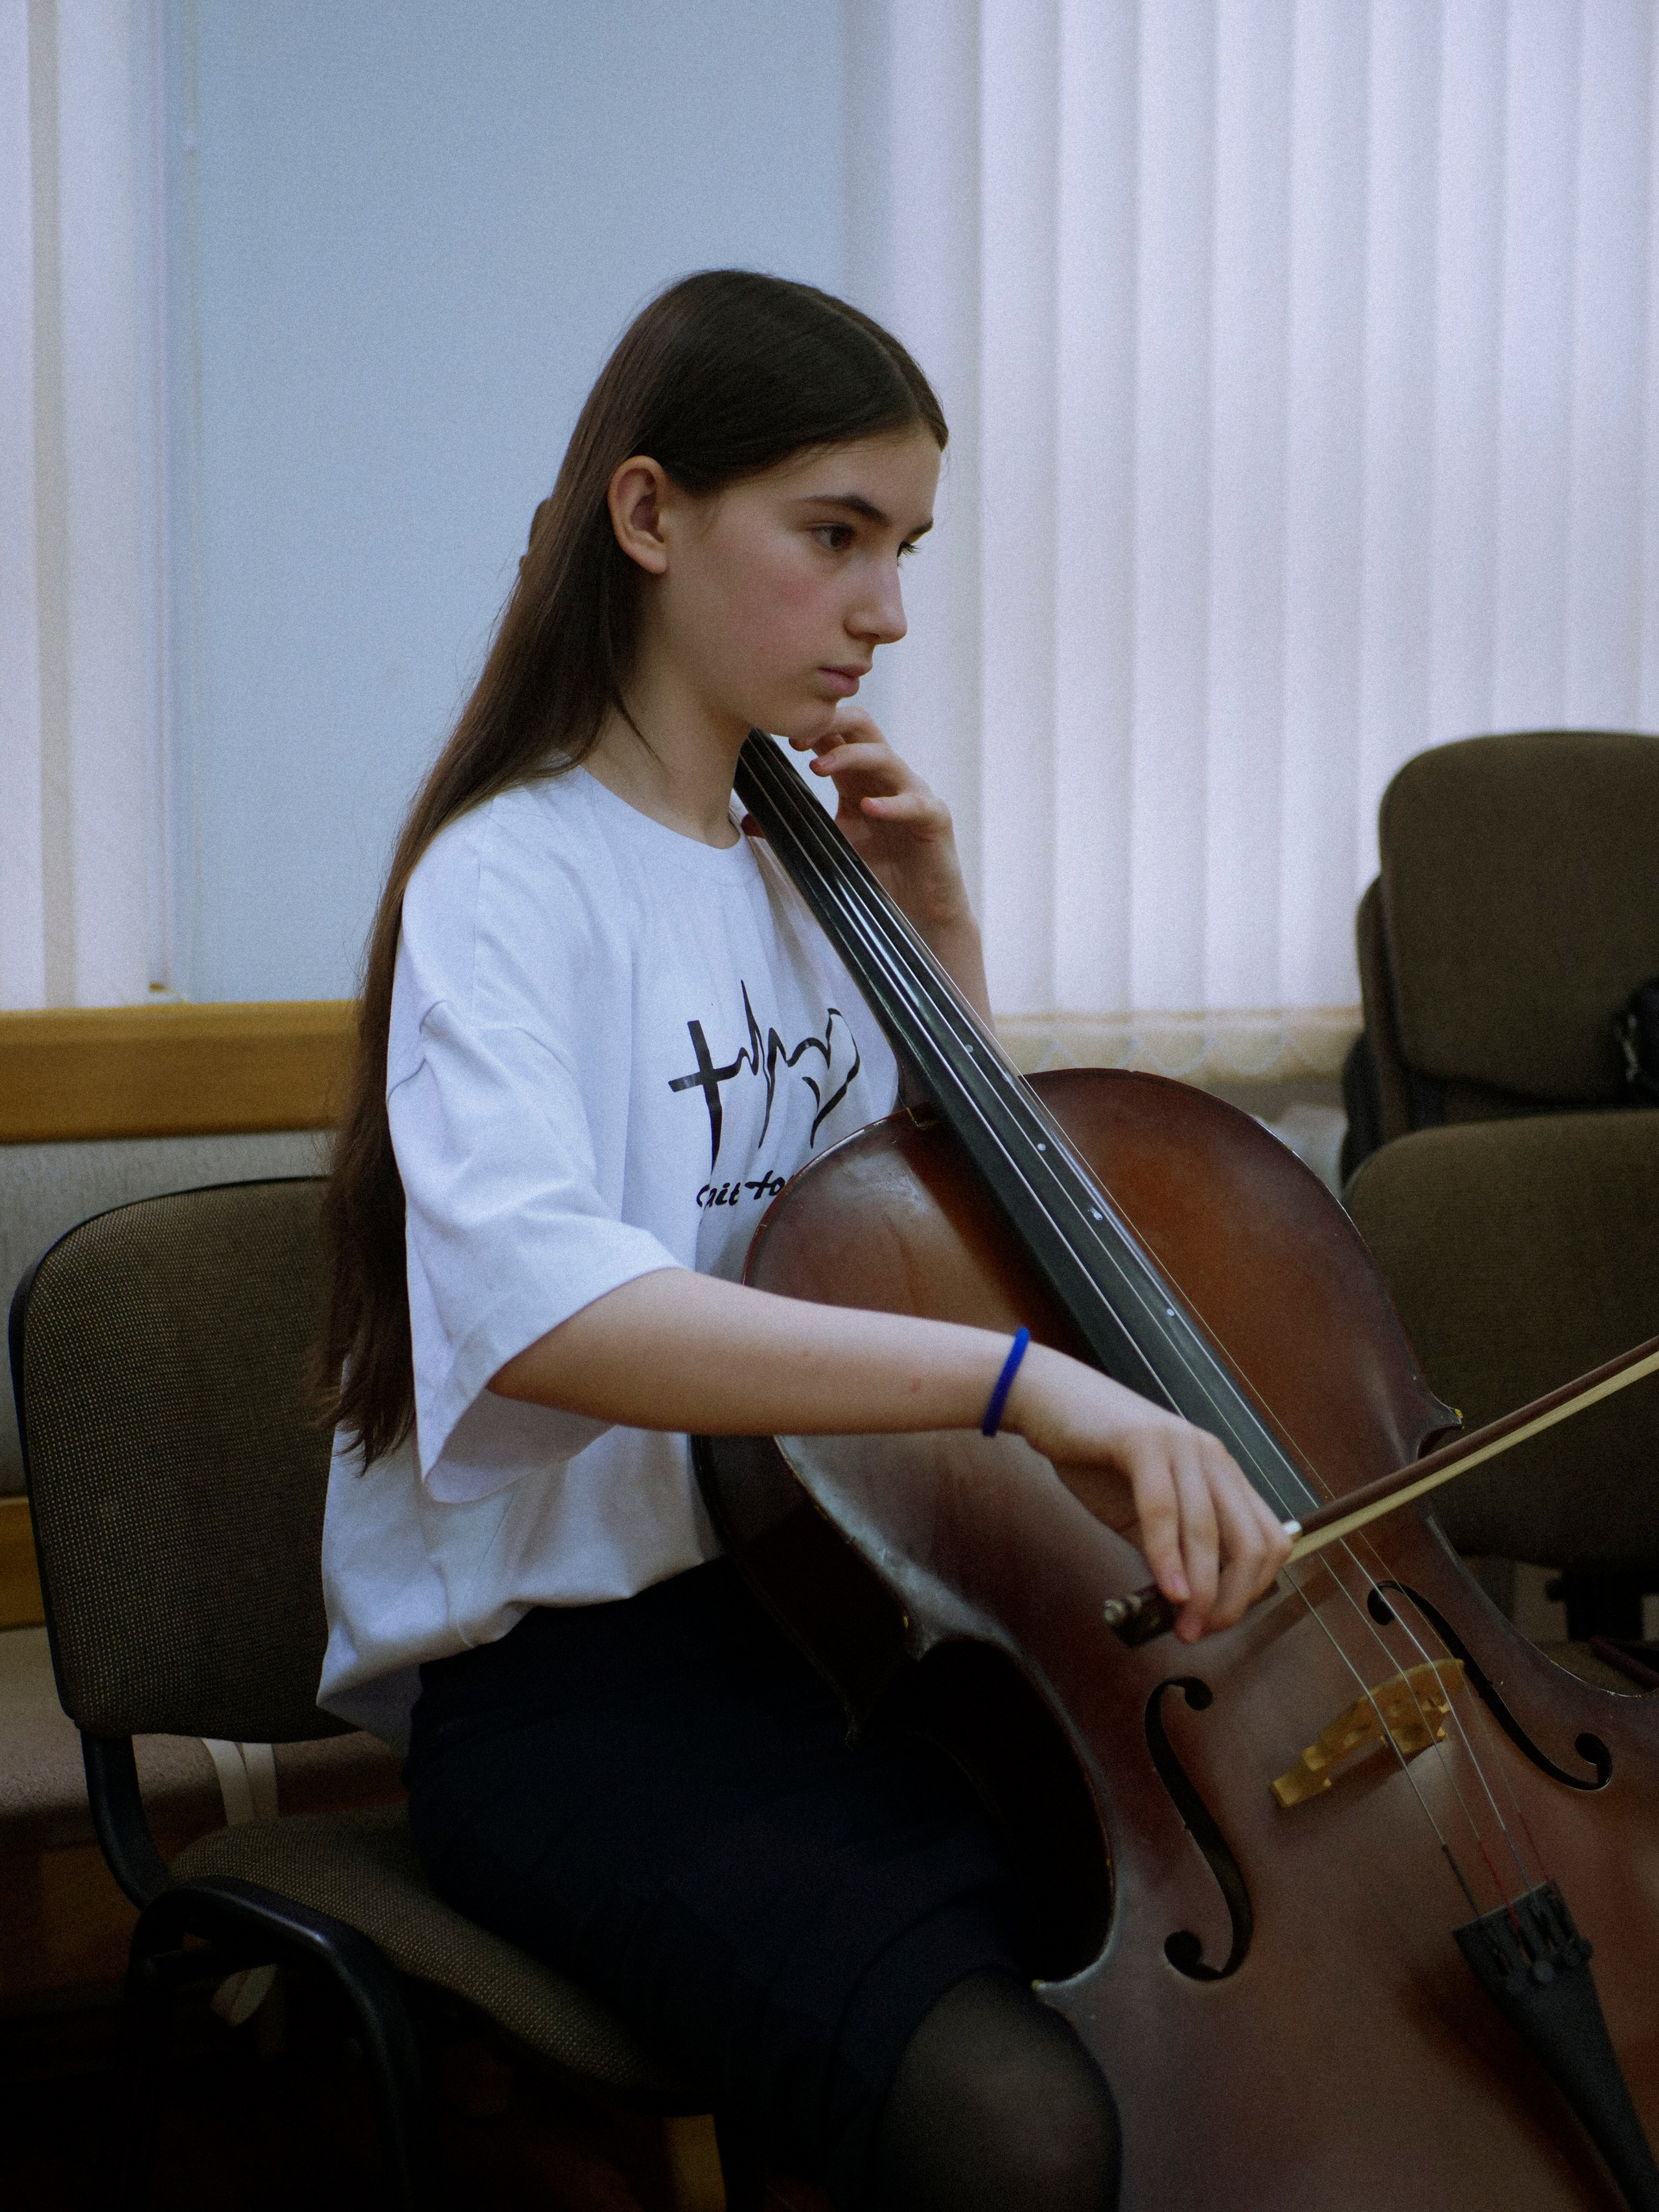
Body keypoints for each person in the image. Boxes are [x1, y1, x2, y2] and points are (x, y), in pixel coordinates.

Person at [315, 270, 1290, 2210]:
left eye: (908, 546)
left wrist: (941, 956)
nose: (889, 609)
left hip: (847, 1642)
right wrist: (1028, 1394)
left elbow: (926, 1248)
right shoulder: (508, 880)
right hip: (581, 1704)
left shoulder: (811, 889)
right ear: (651, 513)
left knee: (1208, 2034)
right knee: (1022, 2130)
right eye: (836, 535)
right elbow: (539, 1312)